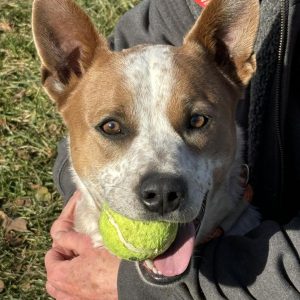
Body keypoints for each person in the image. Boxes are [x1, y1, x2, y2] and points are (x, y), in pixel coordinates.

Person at [45, 0, 300, 299]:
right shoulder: (161, 15)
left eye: (197, 121)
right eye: (112, 128)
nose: (161, 186)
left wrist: (129, 284)